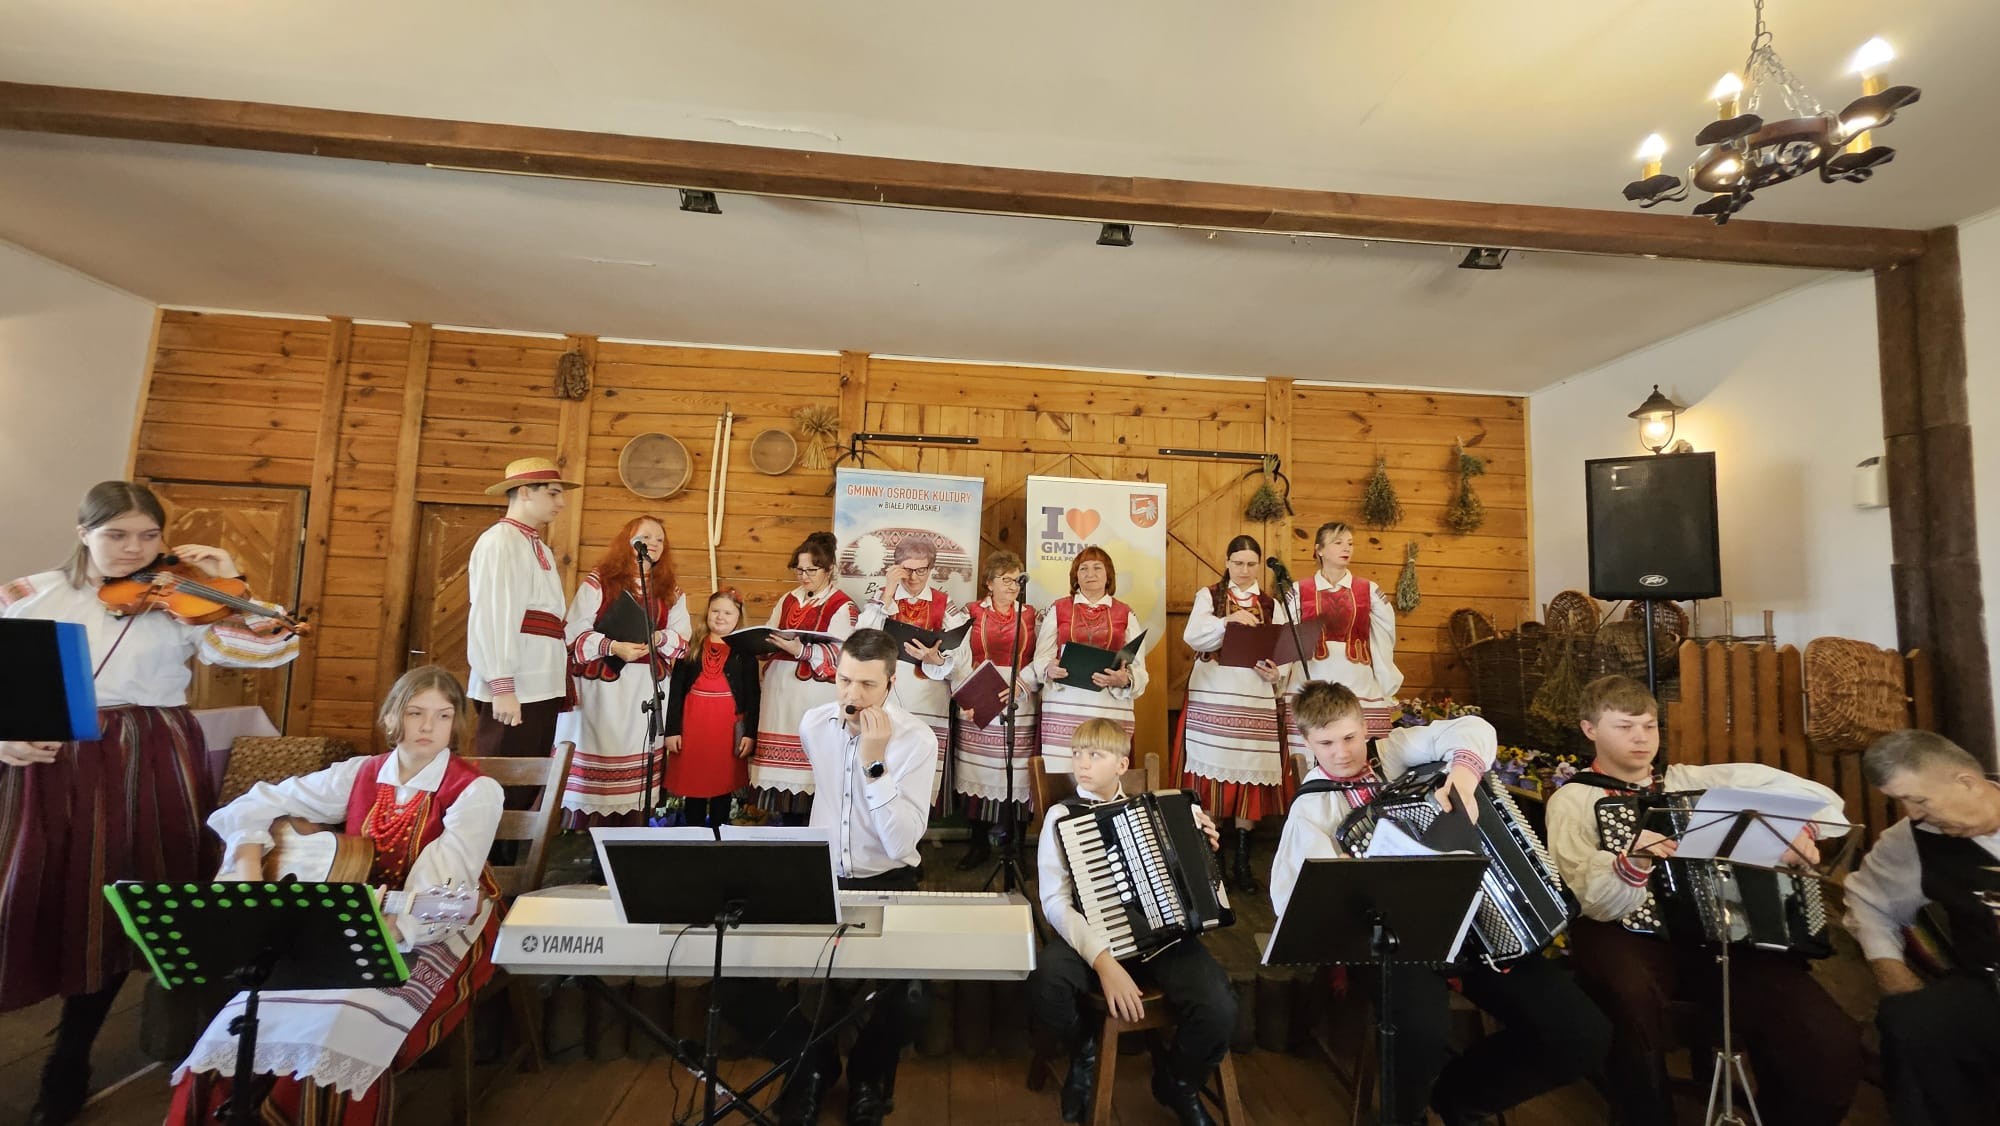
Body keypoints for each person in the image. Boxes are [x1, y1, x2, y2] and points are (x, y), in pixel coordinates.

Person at [0, 480, 300, 1126]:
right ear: (83, 533)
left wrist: (231, 580)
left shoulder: (183, 599)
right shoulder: (27, 595)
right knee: (29, 895)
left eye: (148, 535)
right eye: (116, 535)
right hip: (47, 759)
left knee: (114, 906)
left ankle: (70, 1056)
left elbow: (272, 646)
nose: (134, 549)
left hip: (148, 754)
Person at [166, 665, 503, 1123]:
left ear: (456, 722)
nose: (428, 726)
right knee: (244, 1021)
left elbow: (445, 887)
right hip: (353, 914)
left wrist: (384, 929)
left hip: (442, 919)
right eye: (415, 712)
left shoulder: (475, 790)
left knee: (342, 1021)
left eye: (443, 716)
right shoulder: (361, 773)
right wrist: (249, 867)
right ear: (392, 717)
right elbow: (255, 803)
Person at [1270, 680, 1609, 1126]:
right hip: (1390, 946)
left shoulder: (1393, 752)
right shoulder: (1311, 809)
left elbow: (1474, 728)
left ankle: (1461, 1098)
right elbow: (1296, 901)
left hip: (1476, 931)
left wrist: (1464, 778)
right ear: (1307, 741)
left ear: (1366, 727)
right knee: (1422, 1031)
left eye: (1350, 737)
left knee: (1582, 1033)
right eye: (1326, 743)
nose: (1342, 753)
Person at [1545, 675, 1861, 1126]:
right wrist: (1632, 862)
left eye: (1649, 726)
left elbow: (1811, 797)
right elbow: (1590, 898)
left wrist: (1798, 829)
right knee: (1628, 990)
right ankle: (1646, 1115)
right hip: (1625, 929)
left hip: (1720, 931)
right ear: (1590, 729)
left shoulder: (1692, 780)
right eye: (1625, 727)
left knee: (1822, 1030)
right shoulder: (1574, 799)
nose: (1641, 738)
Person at [722, 628, 938, 1125]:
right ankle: (811, 1063)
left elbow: (901, 844)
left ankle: (868, 1074)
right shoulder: (814, 723)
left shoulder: (917, 739)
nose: (851, 696)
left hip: (889, 879)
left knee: (914, 998)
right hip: (820, 877)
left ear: (892, 682)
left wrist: (874, 761)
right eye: (844, 680)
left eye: (867, 684)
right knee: (732, 980)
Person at [1027, 719, 1234, 1126]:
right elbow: (1054, 902)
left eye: (1095, 754)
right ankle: (1084, 1051)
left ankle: (1178, 1082)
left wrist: (1203, 848)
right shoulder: (1062, 816)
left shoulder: (1159, 811)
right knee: (1047, 981)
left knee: (1219, 1007)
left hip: (1162, 938)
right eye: (1076, 753)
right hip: (1090, 939)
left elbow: (1194, 880)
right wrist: (1104, 962)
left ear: (1122, 765)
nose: (1082, 763)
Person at [1844, 729, 2000, 1126]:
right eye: (1901, 801)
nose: (1912, 813)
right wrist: (1890, 969)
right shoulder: (1912, 841)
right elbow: (1868, 900)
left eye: (1918, 800)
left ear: (1966, 782)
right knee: (1911, 1020)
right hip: (1990, 986)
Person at [1173, 534, 1292, 890]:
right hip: (1214, 696)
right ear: (1227, 563)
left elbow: (1284, 651)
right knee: (1213, 780)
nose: (1244, 570)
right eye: (1238, 563)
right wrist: (1227, 621)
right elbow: (1194, 637)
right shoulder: (1210, 596)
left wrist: (1277, 672)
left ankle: (1242, 859)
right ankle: (1214, 859)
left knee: (1249, 777)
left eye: (1251, 564)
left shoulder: (1271, 604)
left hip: (1254, 697)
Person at [562, 515, 690, 822]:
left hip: (645, 689)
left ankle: (629, 828)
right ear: (627, 540)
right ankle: (586, 832)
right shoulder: (600, 581)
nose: (653, 544)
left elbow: (683, 641)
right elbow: (572, 633)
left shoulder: (670, 589)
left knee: (639, 757)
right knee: (602, 749)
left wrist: (658, 637)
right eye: (645, 537)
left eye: (659, 540)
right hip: (605, 688)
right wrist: (612, 646)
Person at [467, 455, 577, 760]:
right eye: (553, 493)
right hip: (517, 683)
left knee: (531, 770)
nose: (561, 503)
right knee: (504, 768)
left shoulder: (537, 546)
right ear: (525, 491)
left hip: (540, 680)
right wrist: (502, 684)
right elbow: (494, 615)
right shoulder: (501, 542)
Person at [748, 531, 858, 819]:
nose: (804, 576)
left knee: (809, 776)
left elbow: (843, 655)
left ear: (829, 569)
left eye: (811, 570)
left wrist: (803, 651)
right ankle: (785, 827)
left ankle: (810, 831)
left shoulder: (841, 605)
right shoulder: (788, 598)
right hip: (779, 695)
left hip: (812, 696)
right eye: (799, 570)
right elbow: (771, 631)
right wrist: (760, 644)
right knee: (780, 787)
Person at [855, 536, 965, 808]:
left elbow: (962, 654)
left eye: (921, 570)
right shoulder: (883, 597)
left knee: (919, 770)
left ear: (931, 569)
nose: (914, 577)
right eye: (907, 570)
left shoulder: (943, 603)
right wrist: (888, 592)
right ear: (896, 568)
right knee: (883, 766)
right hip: (887, 695)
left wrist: (936, 658)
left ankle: (915, 826)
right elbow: (860, 638)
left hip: (928, 697)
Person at [945, 550, 1038, 871]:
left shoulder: (1030, 615)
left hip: (1018, 700)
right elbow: (957, 657)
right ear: (989, 583)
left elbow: (1041, 657)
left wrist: (1021, 684)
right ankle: (979, 844)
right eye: (1005, 579)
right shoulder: (970, 613)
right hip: (980, 693)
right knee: (977, 774)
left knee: (1017, 775)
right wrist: (966, 696)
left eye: (1017, 580)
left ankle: (1016, 846)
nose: (1012, 586)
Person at [1033, 546, 1147, 775]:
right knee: (1062, 775)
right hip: (1065, 705)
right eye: (1083, 569)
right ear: (1075, 576)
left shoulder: (1125, 613)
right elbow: (1042, 655)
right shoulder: (1059, 608)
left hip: (1109, 706)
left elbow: (1138, 666)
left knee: (1104, 772)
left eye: (1097, 568)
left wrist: (1124, 679)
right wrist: (1048, 668)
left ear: (1108, 575)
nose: (1090, 574)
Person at [1285, 521, 1401, 744]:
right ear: (1319, 550)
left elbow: (1385, 635)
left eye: (1350, 543)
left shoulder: (1368, 590)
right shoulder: (1300, 591)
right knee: (1310, 746)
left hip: (1356, 679)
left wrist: (1384, 673)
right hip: (1311, 677)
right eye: (1338, 543)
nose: (1346, 548)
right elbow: (1286, 638)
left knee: (1358, 744)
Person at [661, 589, 760, 830]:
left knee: (722, 781)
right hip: (693, 724)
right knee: (694, 781)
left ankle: (719, 832)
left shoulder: (745, 653)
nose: (720, 617)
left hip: (726, 727)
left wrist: (750, 734)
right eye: (715, 611)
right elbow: (676, 691)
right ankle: (693, 833)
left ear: (738, 617)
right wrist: (672, 730)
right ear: (707, 613)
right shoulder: (691, 647)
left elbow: (753, 696)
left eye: (727, 612)